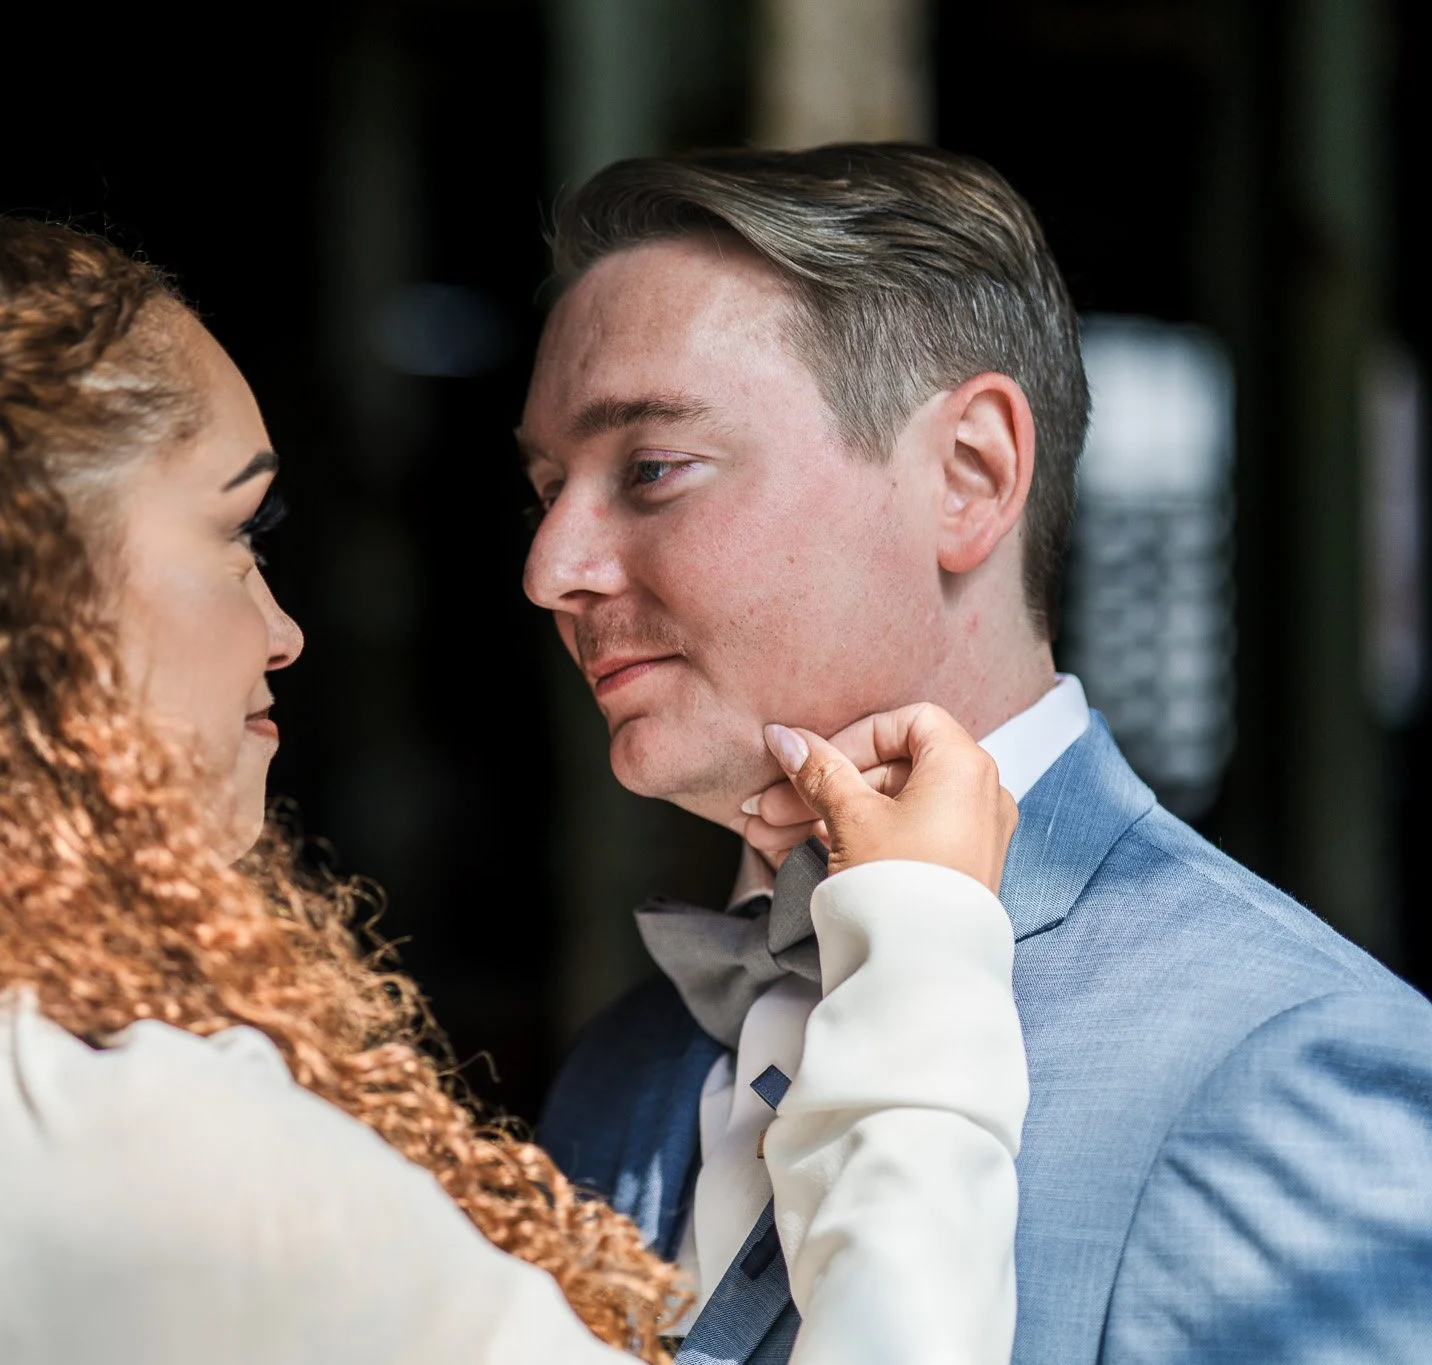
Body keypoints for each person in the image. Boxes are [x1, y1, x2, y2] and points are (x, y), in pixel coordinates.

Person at [0, 211, 1032, 1365]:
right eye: (239, 532)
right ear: (21, 592)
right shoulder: (120, 1124)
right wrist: (925, 959)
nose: (284, 627)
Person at [523, 142, 1432, 1363]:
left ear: (969, 476)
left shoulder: (1279, 1058)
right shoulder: (618, 1070)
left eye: (650, 468)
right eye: (545, 489)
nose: (550, 572)